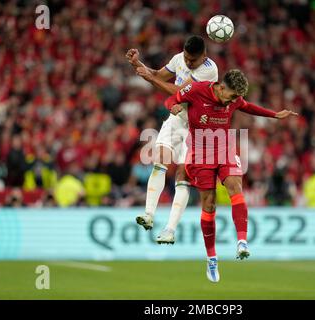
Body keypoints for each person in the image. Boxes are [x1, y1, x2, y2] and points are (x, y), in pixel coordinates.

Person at [164, 69, 297, 282]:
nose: (234, 101)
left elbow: (248, 106)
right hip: (200, 152)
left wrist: (274, 114)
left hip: (225, 149)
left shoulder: (233, 99)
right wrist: (174, 106)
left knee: (235, 186)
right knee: (209, 204)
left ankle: (242, 242)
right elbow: (171, 98)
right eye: (232, 96)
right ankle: (211, 258)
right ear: (221, 87)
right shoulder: (197, 90)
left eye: (237, 97)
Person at [126, 35, 218, 244]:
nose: (188, 62)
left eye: (192, 60)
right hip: (176, 119)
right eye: (186, 57)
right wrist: (138, 65)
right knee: (160, 159)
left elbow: (180, 92)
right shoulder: (179, 59)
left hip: (197, 126)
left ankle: (170, 229)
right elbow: (159, 74)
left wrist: (150, 79)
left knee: (182, 174)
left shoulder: (209, 70)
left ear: (203, 56)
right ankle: (149, 214)